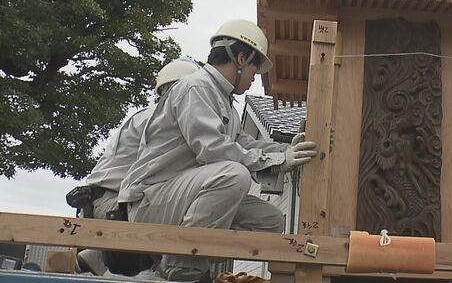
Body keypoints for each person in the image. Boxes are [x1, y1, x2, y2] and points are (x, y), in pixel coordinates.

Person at [118, 19, 318, 282]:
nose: (252, 81)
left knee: (269, 220)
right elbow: (213, 150)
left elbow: (244, 143)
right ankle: (180, 267)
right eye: (254, 73)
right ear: (241, 58)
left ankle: (189, 259)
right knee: (234, 175)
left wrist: (285, 149)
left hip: (183, 197)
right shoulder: (196, 88)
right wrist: (278, 160)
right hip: (152, 200)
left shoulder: (223, 102)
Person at [70, 59, 200, 276]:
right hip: (116, 207)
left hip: (98, 204)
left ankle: (100, 256)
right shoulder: (164, 120)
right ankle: (158, 271)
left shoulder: (145, 115)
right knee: (187, 197)